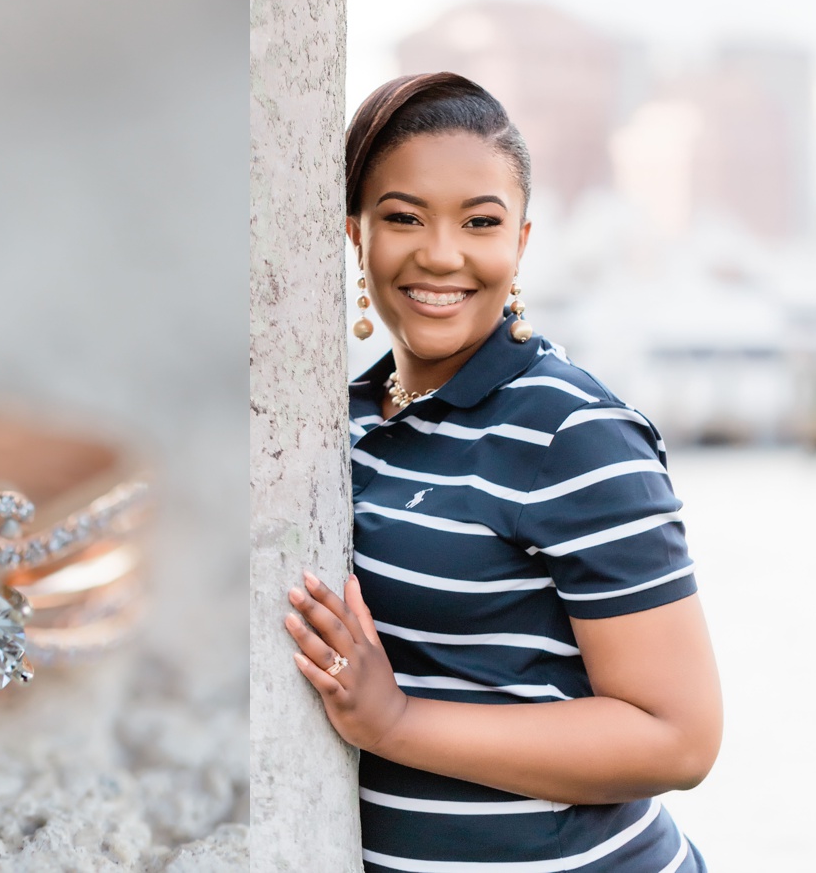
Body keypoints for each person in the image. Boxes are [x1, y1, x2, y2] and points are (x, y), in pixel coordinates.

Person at [284, 72, 722, 872]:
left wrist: (395, 722)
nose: (441, 254)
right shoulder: (330, 421)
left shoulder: (572, 433)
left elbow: (680, 737)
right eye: (403, 217)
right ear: (356, 235)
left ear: (519, 242)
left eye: (479, 222)